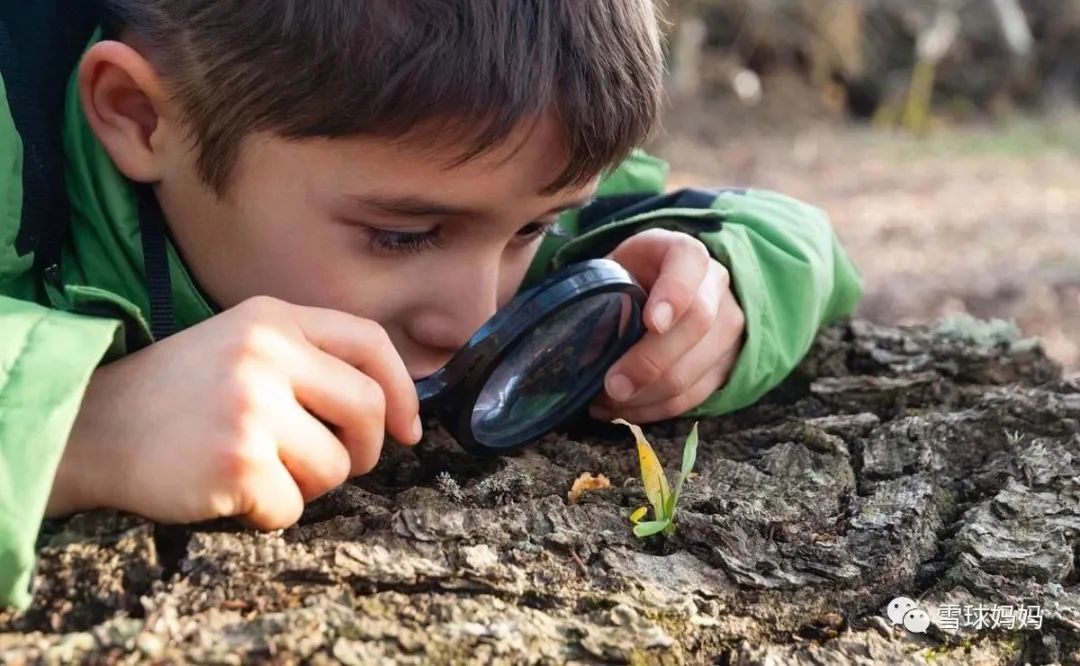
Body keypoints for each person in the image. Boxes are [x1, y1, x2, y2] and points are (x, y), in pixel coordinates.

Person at [0, 0, 863, 610]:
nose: (471, 314)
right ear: (143, 117)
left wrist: (724, 285)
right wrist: (78, 429)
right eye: (403, 236)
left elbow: (782, 229)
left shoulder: (492, 150)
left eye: (533, 230)